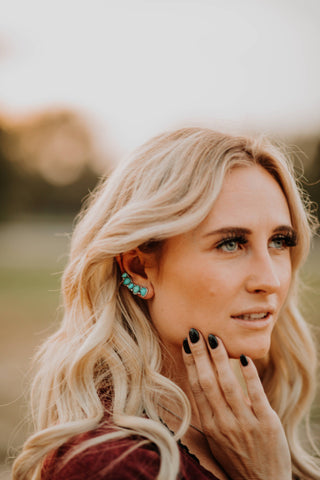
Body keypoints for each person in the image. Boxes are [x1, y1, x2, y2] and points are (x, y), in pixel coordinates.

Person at [12, 128, 320, 480]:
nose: (270, 280)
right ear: (139, 268)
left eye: (280, 241)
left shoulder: (250, 436)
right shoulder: (110, 465)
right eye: (231, 243)